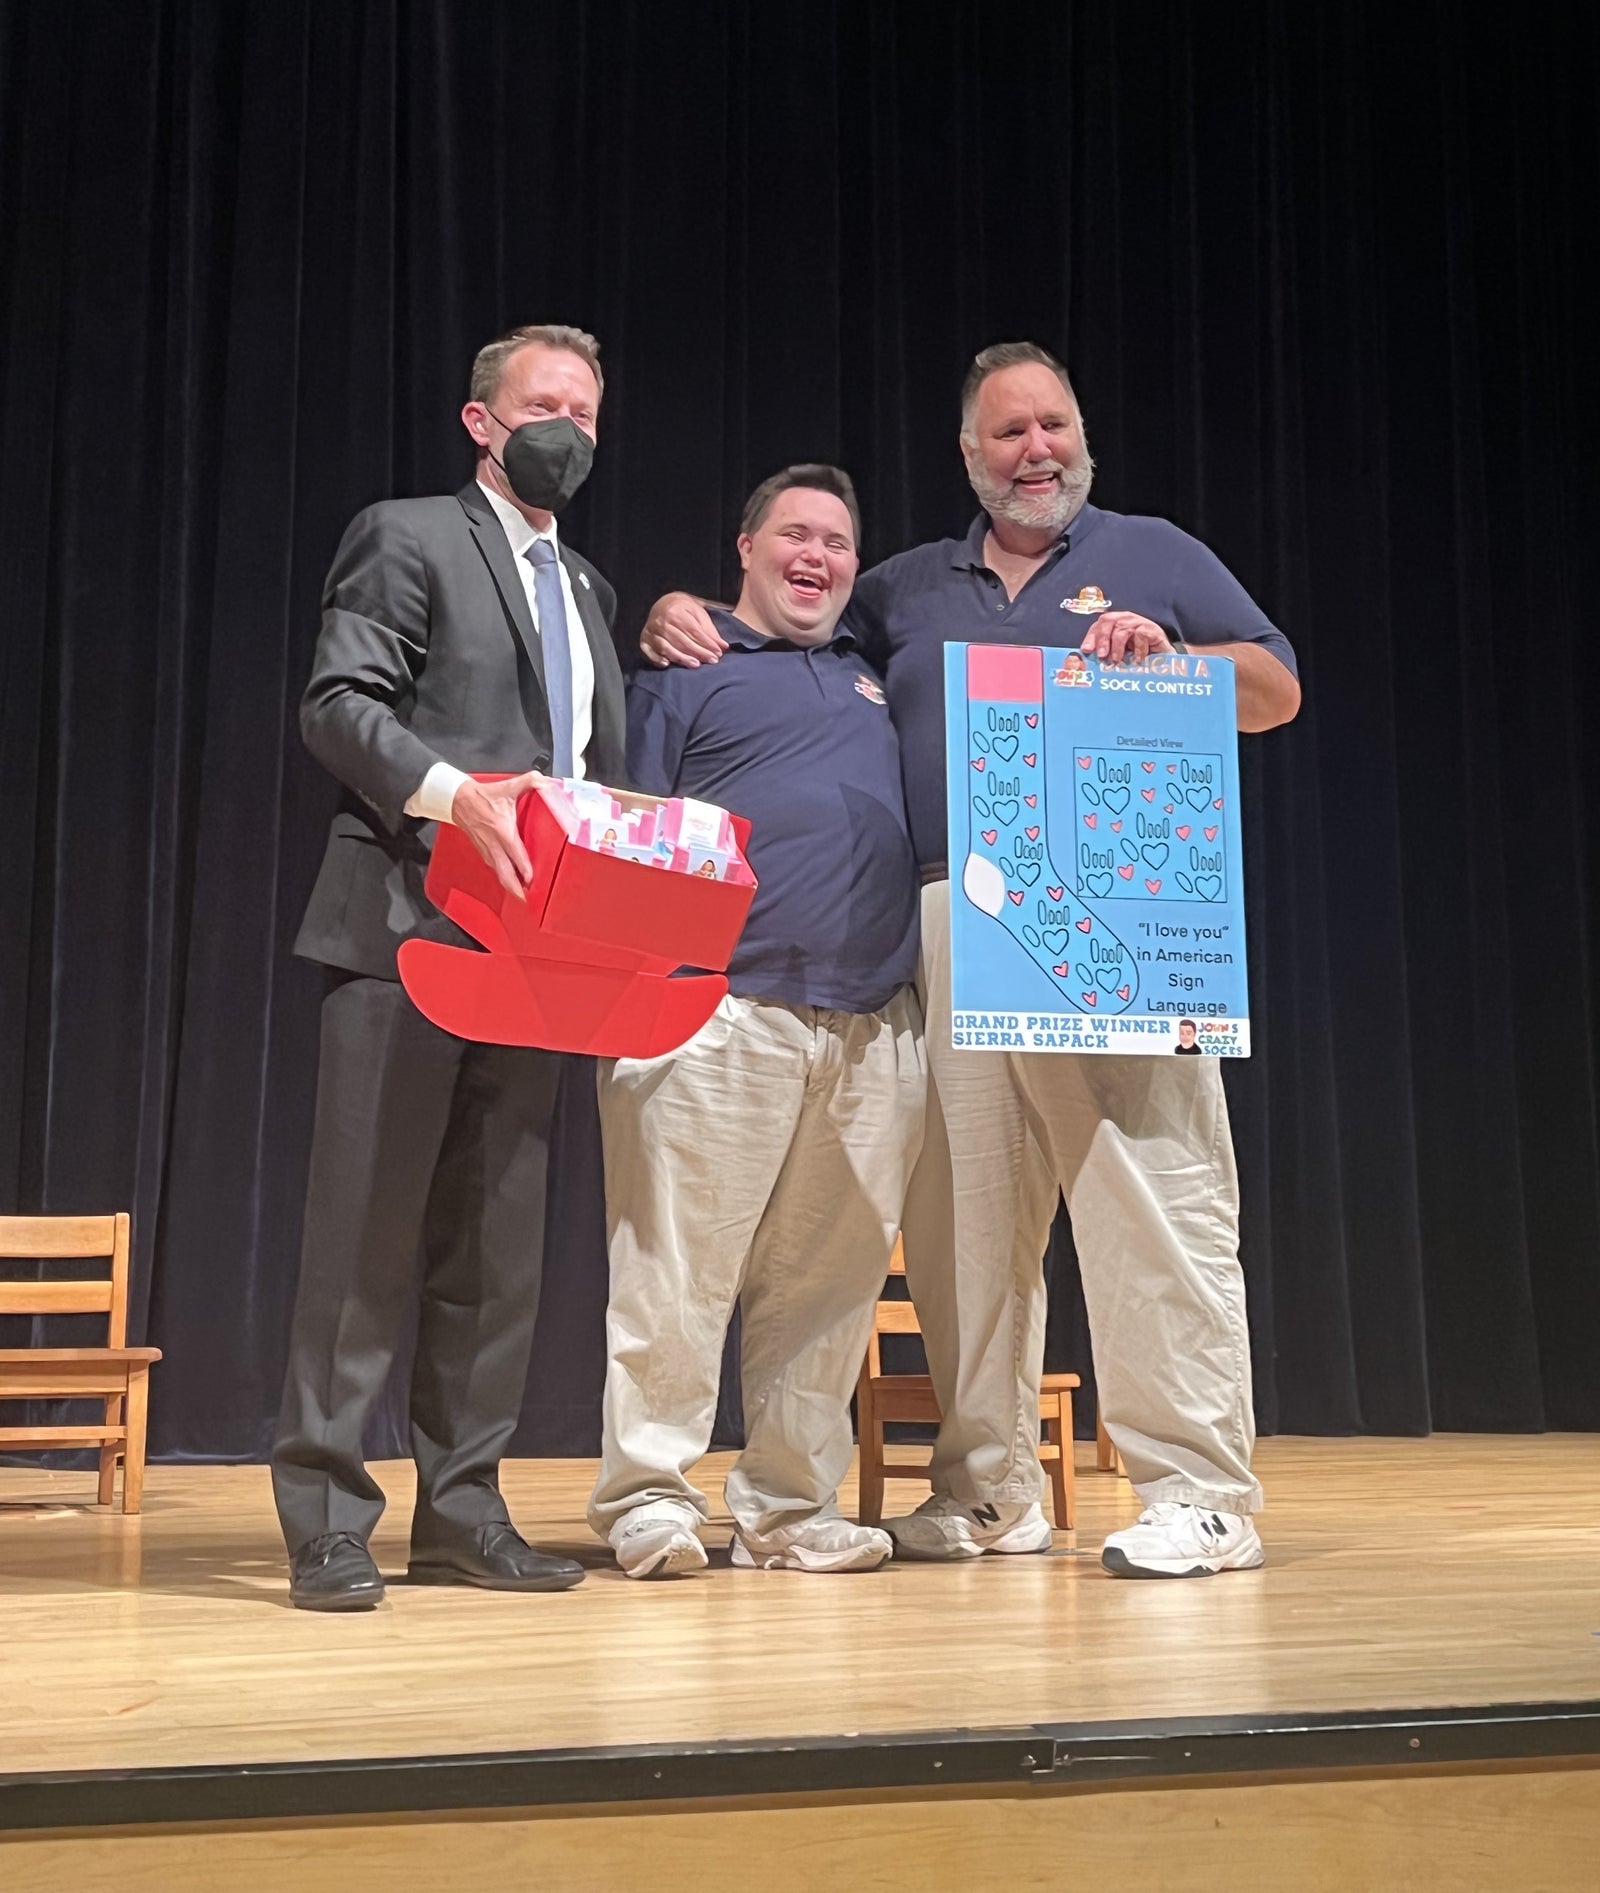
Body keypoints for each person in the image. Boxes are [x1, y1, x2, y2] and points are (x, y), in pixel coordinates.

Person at [642, 342, 1300, 1579]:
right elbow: (788, 628)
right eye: (1008, 432)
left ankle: (1202, 1493)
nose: (1035, 450)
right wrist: (682, 610)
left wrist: (1174, 660)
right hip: (950, 916)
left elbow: (1274, 690)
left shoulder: (1153, 553)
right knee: (962, 1223)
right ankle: (989, 1491)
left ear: (1082, 435)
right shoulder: (901, 587)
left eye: (1053, 425)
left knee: (1151, 1196)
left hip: (1113, 915)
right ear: (968, 454)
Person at [274, 324, 627, 1610]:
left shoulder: (589, 590)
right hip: (406, 930)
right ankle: (327, 1516)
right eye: (544, 406)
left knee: (496, 1252)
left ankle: (463, 1513)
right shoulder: (409, 535)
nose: (567, 431)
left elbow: (587, 776)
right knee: (363, 1238)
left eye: (586, 413)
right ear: (482, 422)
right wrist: (452, 793)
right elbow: (339, 701)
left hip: (535, 961)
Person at [589, 465, 924, 1578]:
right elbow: (626, 828)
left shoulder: (876, 675)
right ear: (746, 547)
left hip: (870, 1024)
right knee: (674, 1272)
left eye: (837, 541)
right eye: (795, 534)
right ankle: (648, 1498)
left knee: (827, 1287)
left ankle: (788, 1509)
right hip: (715, 1009)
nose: (816, 555)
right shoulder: (685, 669)